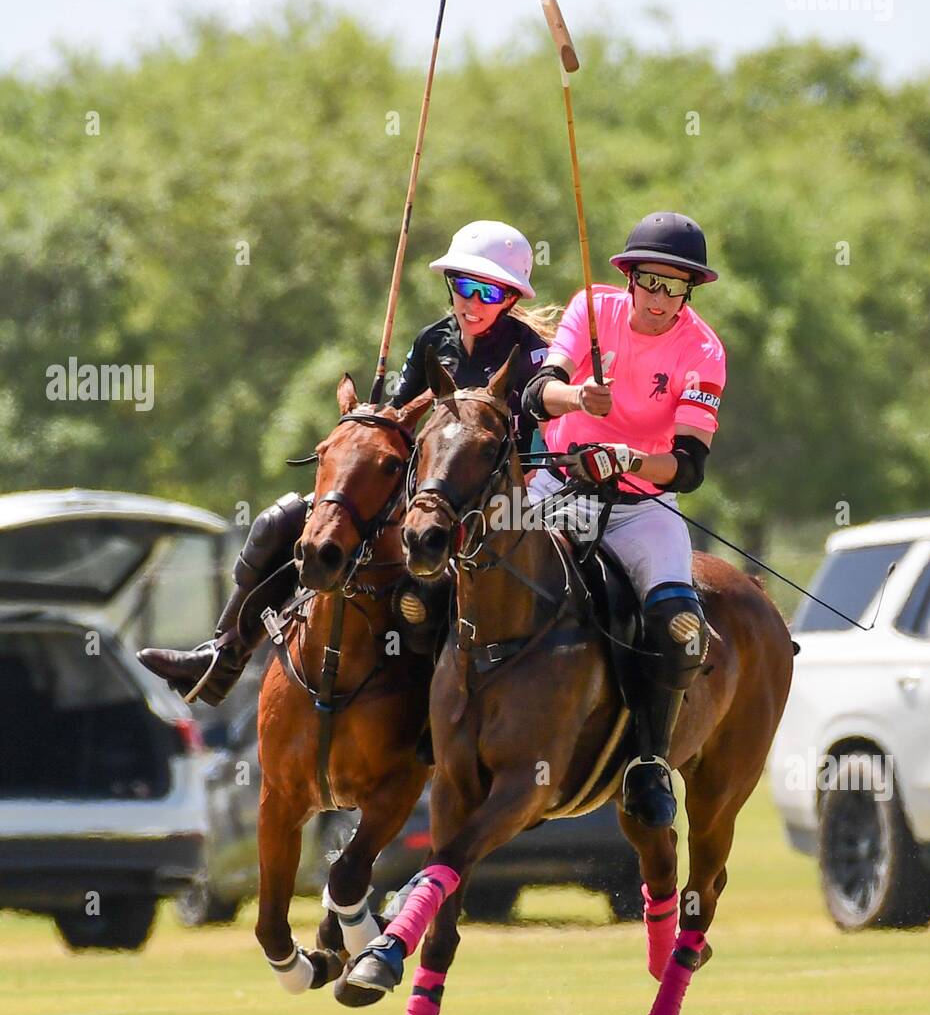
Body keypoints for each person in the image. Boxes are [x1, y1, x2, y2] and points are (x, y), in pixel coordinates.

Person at [138, 220, 553, 705]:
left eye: (487, 290)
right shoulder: (432, 341)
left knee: (422, 601)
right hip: (421, 487)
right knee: (283, 522)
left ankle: (439, 715)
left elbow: (541, 445)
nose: (472, 301)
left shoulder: (533, 354)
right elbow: (400, 421)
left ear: (511, 297)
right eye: (463, 285)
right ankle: (223, 655)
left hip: (496, 498)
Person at [521, 212, 726, 830]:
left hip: (642, 508)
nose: (662, 301)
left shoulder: (703, 349)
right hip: (557, 488)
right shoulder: (591, 308)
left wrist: (633, 458)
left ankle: (649, 763)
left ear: (690, 290)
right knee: (474, 574)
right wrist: (578, 398)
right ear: (630, 278)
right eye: (652, 284)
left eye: (677, 288)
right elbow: (539, 391)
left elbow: (688, 465)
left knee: (679, 625)